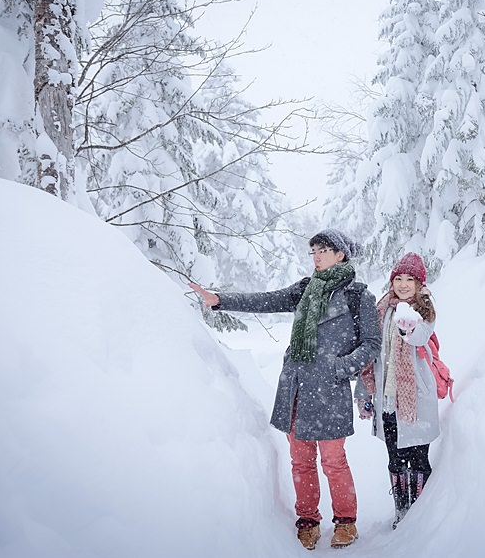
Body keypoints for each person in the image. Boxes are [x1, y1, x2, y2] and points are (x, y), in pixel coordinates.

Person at [188, 229, 381, 551]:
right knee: (300, 460)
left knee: (333, 460)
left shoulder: (358, 295)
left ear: (341, 255)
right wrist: (220, 300)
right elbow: (267, 300)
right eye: (314, 251)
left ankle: (346, 521)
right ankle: (308, 520)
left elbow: (371, 344)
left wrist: (340, 367)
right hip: (297, 386)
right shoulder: (306, 290)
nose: (316, 256)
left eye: (323, 250)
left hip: (329, 389)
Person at [354, 252, 438, 529]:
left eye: (409, 279)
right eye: (398, 278)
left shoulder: (423, 310)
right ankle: (402, 510)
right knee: (395, 460)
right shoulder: (382, 309)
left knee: (418, 459)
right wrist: (365, 393)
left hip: (415, 400)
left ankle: (419, 514)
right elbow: (371, 353)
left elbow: (421, 336)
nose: (403, 284)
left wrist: (407, 330)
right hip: (387, 400)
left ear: (419, 284)